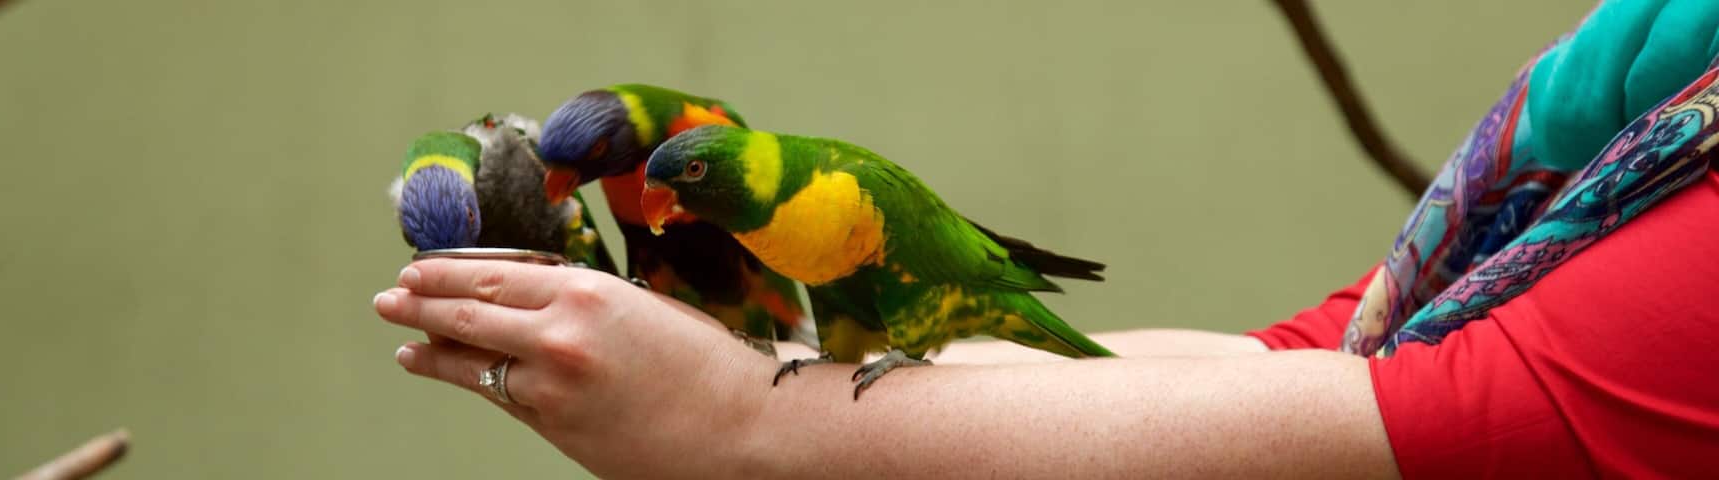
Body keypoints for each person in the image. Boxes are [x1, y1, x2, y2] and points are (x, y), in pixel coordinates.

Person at [372, 1, 1719, 477]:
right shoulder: (1666, 66)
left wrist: (752, 427)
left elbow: (1427, 411)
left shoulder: (836, 193)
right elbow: (1319, 356)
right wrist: (748, 367)